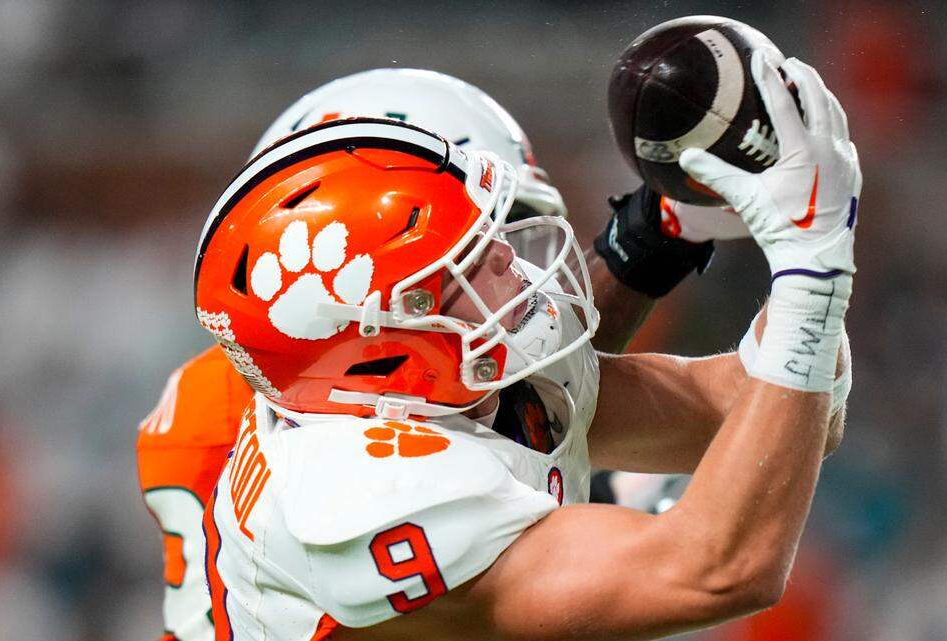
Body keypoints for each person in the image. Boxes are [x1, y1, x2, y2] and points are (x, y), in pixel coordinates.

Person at [196, 51, 860, 640]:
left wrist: (790, 260)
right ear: (382, 339)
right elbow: (717, 569)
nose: (510, 258)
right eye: (467, 259)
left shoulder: (423, 393)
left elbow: (778, 415)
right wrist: (812, 268)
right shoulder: (356, 492)